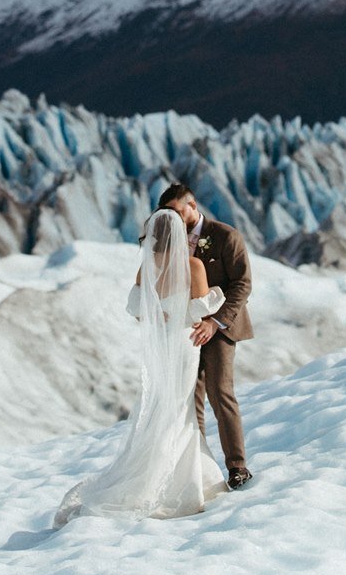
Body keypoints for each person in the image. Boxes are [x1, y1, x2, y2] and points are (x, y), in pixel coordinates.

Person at [54, 206, 229, 524]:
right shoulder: (193, 266)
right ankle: (182, 484)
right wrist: (211, 298)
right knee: (180, 409)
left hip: (159, 346)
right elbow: (199, 312)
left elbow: (136, 308)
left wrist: (158, 314)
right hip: (184, 344)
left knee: (164, 406)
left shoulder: (146, 267)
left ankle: (180, 475)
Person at [157, 180, 253, 491]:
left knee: (219, 392)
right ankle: (198, 470)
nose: (172, 218)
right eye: (167, 213)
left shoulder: (225, 235)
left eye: (176, 211)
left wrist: (216, 322)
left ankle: (237, 467)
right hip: (184, 330)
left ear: (192, 206)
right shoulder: (168, 240)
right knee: (189, 399)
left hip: (220, 328)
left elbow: (242, 284)